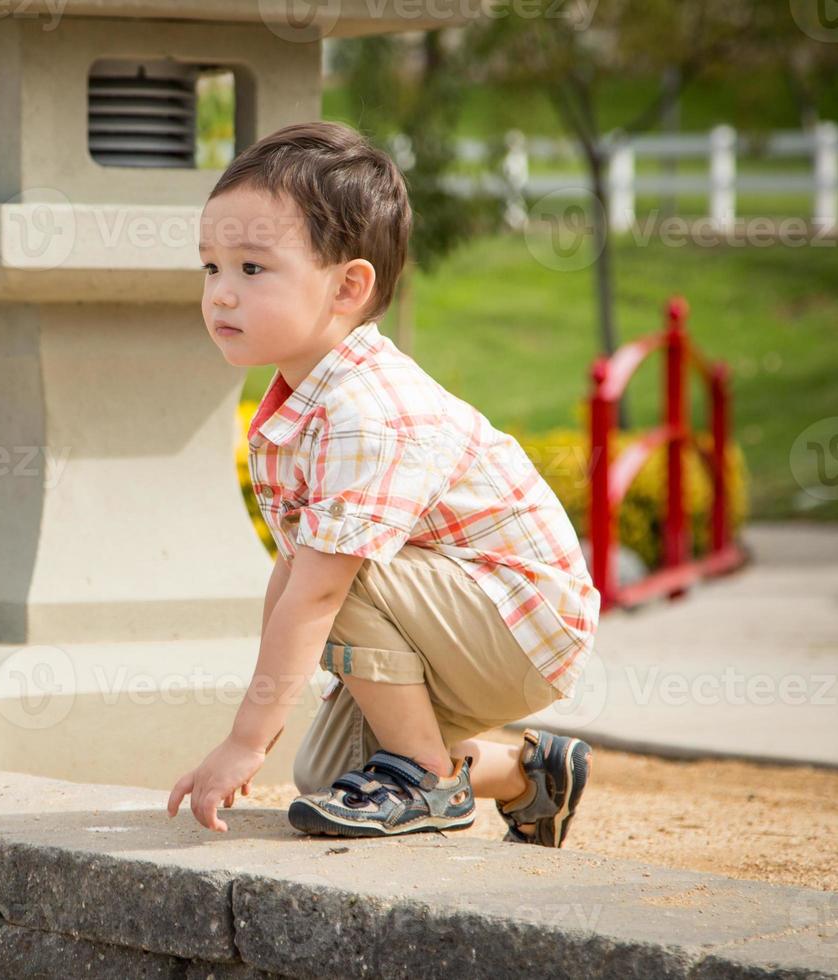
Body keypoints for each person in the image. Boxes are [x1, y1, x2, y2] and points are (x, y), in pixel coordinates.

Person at [165, 121, 599, 847]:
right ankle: (530, 772)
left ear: (349, 286)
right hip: (454, 620)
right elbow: (295, 575)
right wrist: (263, 733)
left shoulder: (367, 411)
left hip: (520, 620)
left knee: (333, 567)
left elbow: (320, 587)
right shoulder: (302, 400)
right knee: (330, 775)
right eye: (211, 267)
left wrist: (244, 739)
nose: (221, 295)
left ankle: (425, 777)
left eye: (252, 269)